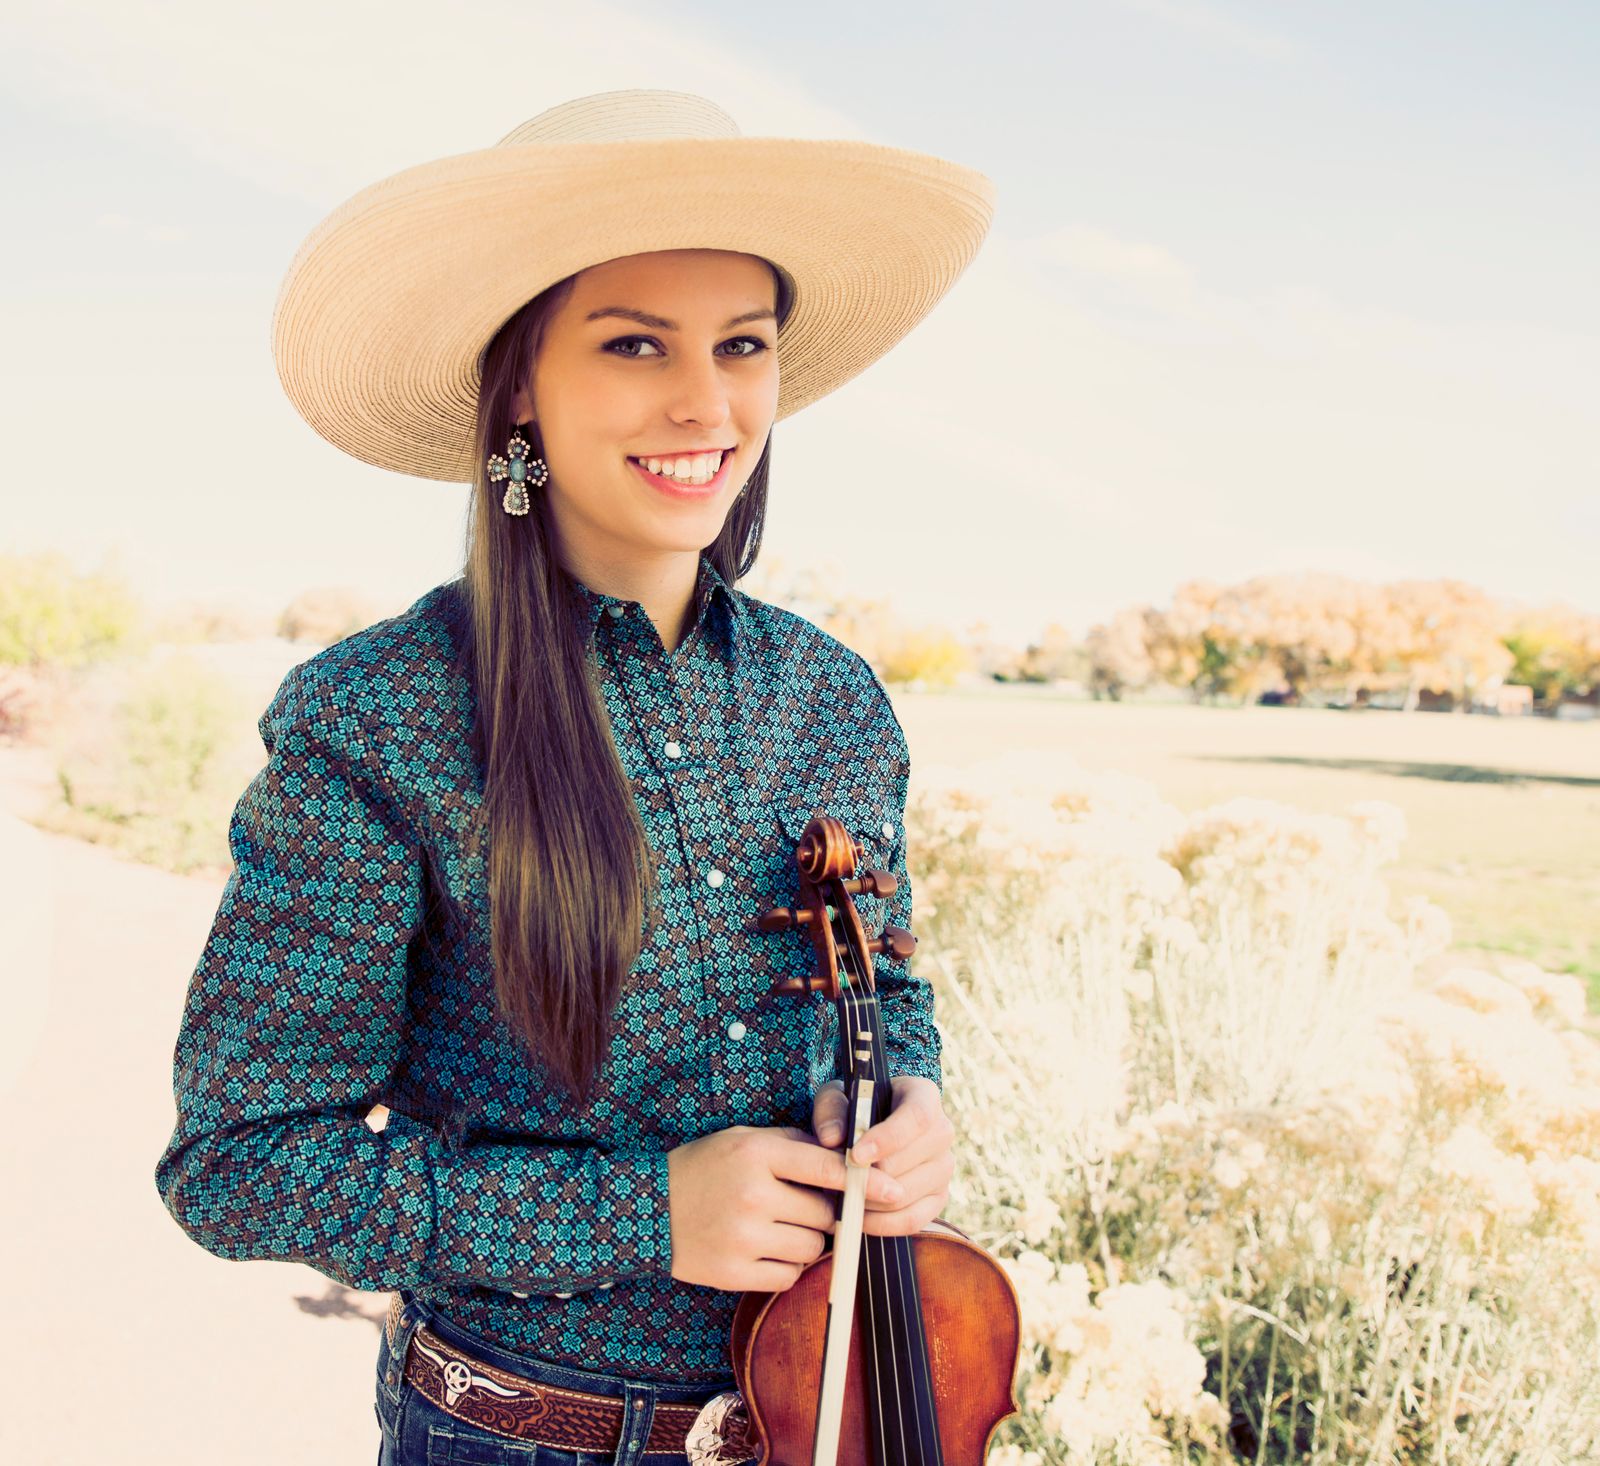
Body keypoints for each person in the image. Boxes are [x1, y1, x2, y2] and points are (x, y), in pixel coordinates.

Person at [153, 88, 994, 1465]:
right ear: (519, 392)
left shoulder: (832, 697)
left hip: (838, 1413)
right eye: (633, 343)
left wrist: (913, 1098)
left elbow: (884, 988)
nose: (707, 400)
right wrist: (646, 1214)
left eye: (742, 344)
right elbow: (238, 1164)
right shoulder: (381, 714)